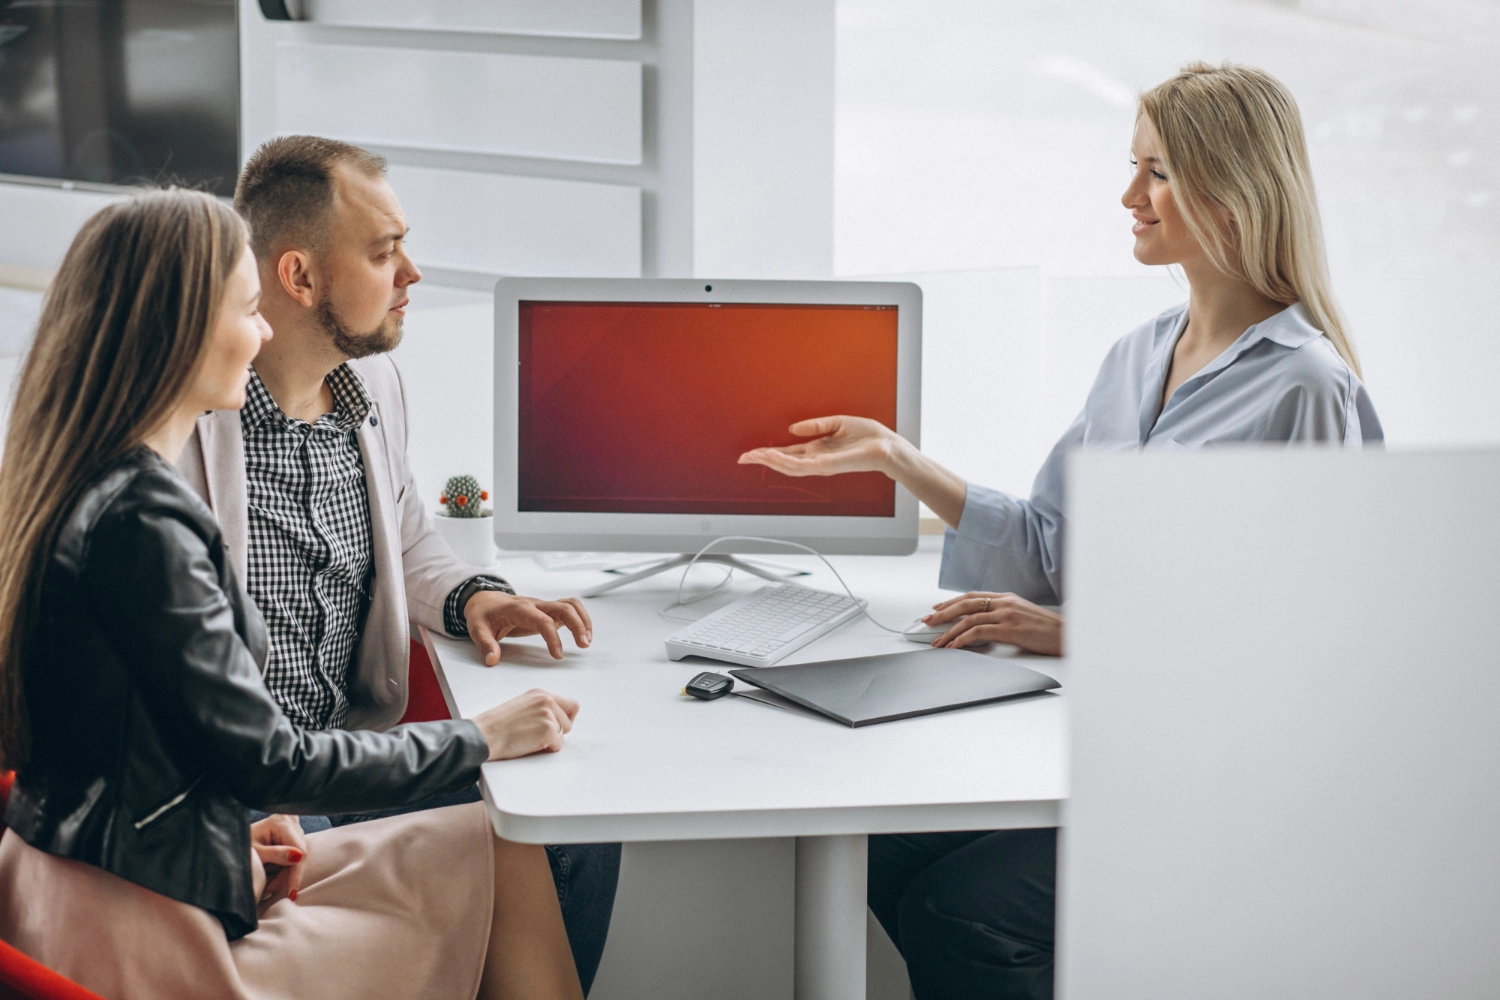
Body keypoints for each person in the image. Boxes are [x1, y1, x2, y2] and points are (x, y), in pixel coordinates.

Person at [739, 62, 1383, 999]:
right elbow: (1053, 549)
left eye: (1156, 172)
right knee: (872, 845)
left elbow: (1316, 645)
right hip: (1106, 742)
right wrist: (898, 458)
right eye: (1135, 167)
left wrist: (1079, 632)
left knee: (964, 915)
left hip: (1226, 780)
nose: (1130, 196)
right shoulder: (1138, 355)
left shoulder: (1308, 388)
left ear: (1234, 191)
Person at [0, 189, 584, 998]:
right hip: (143, 934)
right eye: (248, 309)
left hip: (111, 874)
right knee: (507, 841)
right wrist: (481, 737)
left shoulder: (89, 486)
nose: (265, 330)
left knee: (499, 845)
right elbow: (269, 757)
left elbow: (137, 732)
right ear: (179, 332)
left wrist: (216, 819)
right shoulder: (144, 525)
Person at [176, 136, 619, 991]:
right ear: (299, 278)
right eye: (384, 253)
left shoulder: (373, 389)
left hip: (354, 754)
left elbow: (409, 529)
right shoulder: (185, 427)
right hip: (255, 790)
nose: (412, 273)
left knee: (577, 811)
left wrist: (473, 598)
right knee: (503, 831)